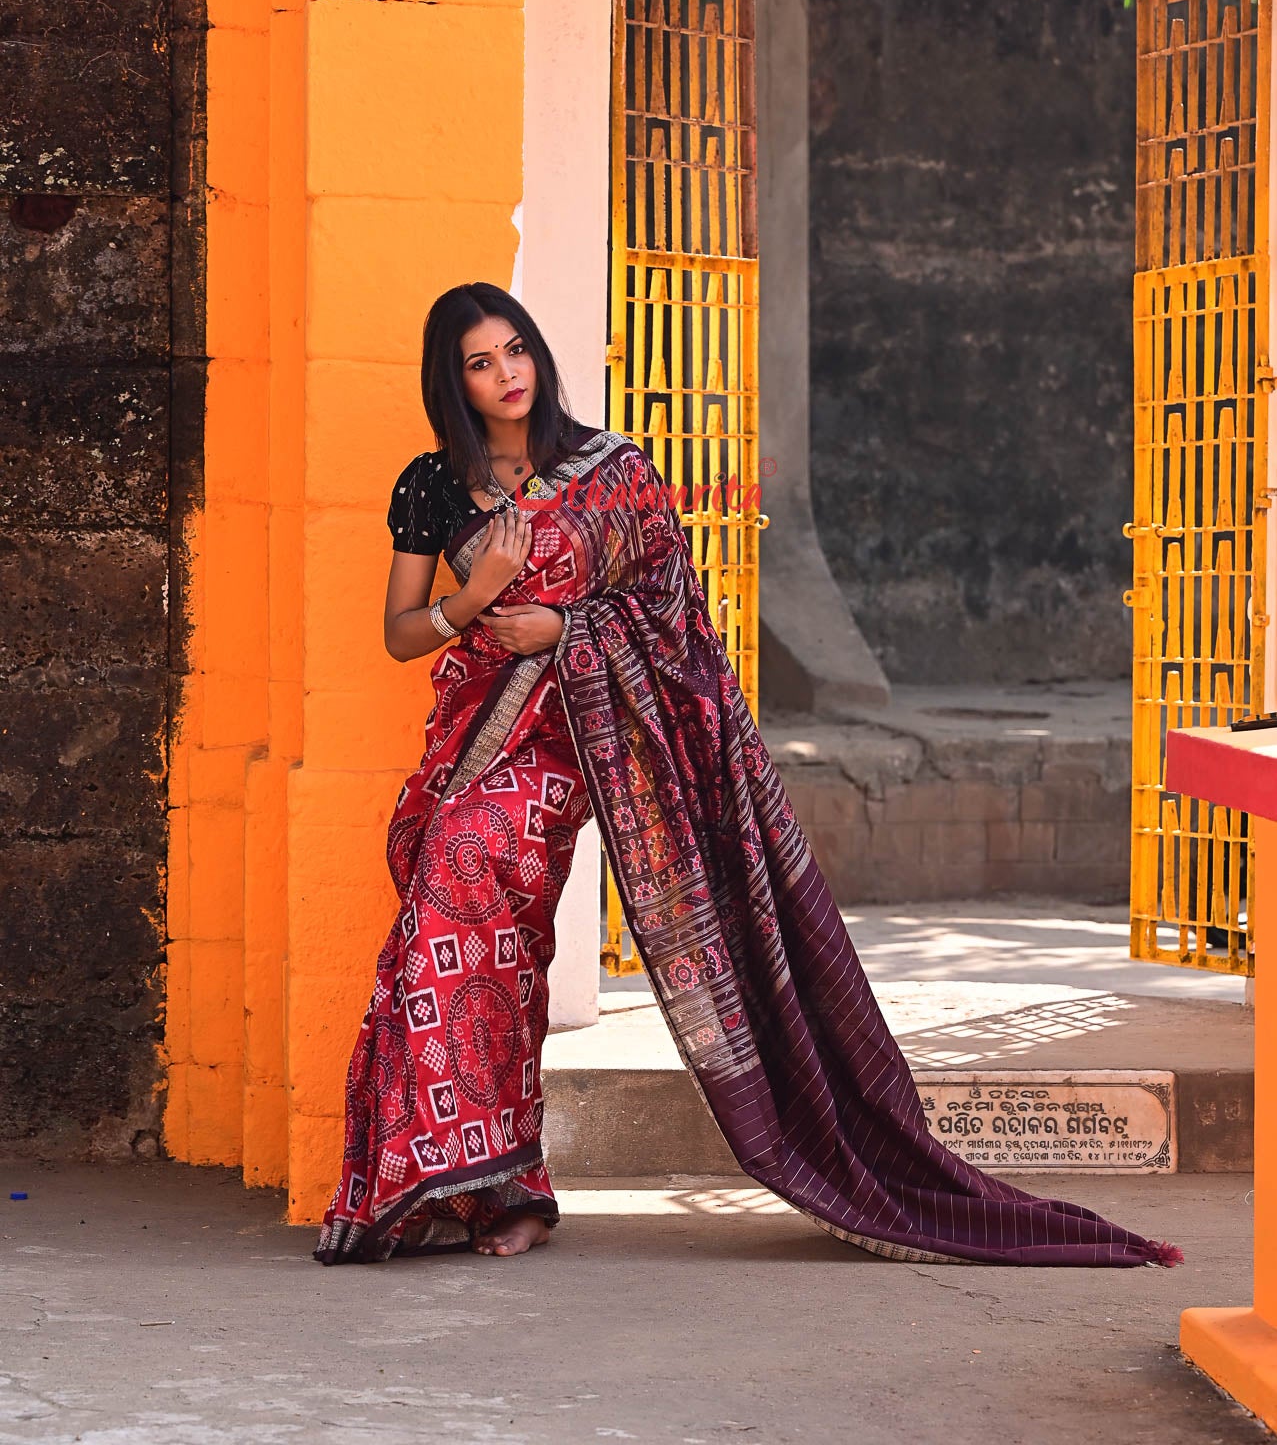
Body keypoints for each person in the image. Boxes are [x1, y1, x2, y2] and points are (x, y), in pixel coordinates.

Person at [314, 282, 1183, 1270]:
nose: (506, 374)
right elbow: (398, 634)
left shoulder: (611, 471)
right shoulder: (429, 487)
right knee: (463, 944)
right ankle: (477, 1186)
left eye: (515, 350)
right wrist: (469, 597)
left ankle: (500, 1187)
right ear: (452, 380)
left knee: (478, 910)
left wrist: (567, 626)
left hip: (565, 751)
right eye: (479, 361)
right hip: (469, 750)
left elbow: (674, 621)